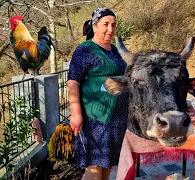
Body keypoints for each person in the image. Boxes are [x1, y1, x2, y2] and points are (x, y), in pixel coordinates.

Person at [67, 8, 128, 180]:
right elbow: (73, 81)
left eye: (113, 25)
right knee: (94, 169)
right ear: (95, 26)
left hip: (117, 119)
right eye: (105, 24)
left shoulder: (114, 50)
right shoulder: (85, 50)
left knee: (107, 166)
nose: (110, 29)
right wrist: (76, 113)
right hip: (95, 119)